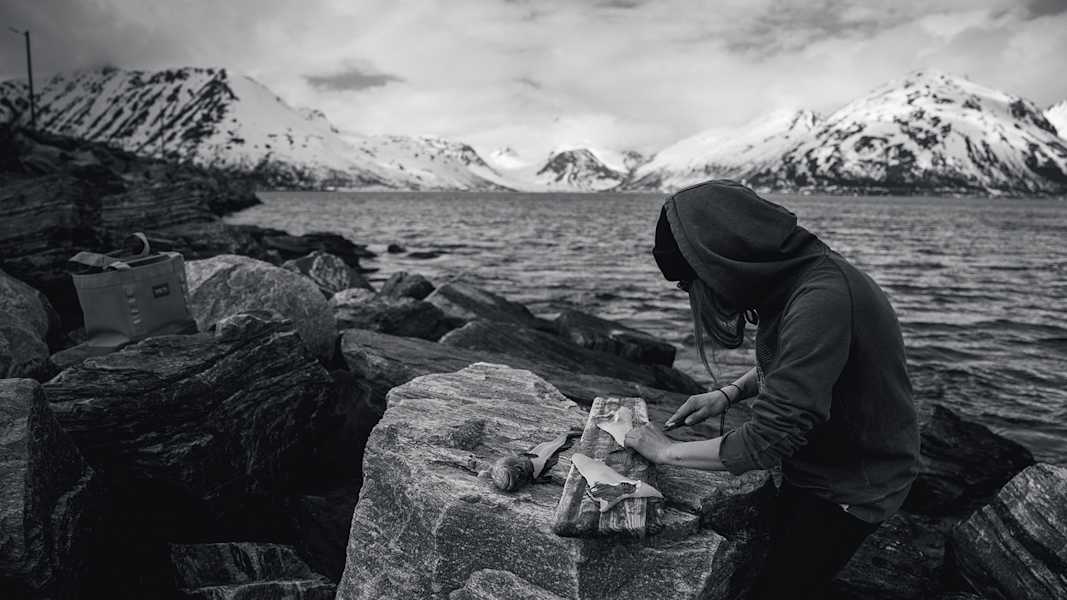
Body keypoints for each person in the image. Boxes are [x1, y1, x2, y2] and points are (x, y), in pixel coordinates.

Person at [624, 180, 920, 599]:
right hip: (822, 464)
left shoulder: (822, 300)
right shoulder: (795, 271)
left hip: (854, 484)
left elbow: (768, 440)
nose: (691, 294)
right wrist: (728, 393)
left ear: (721, 261)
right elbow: (798, 361)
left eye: (690, 282)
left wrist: (666, 452)